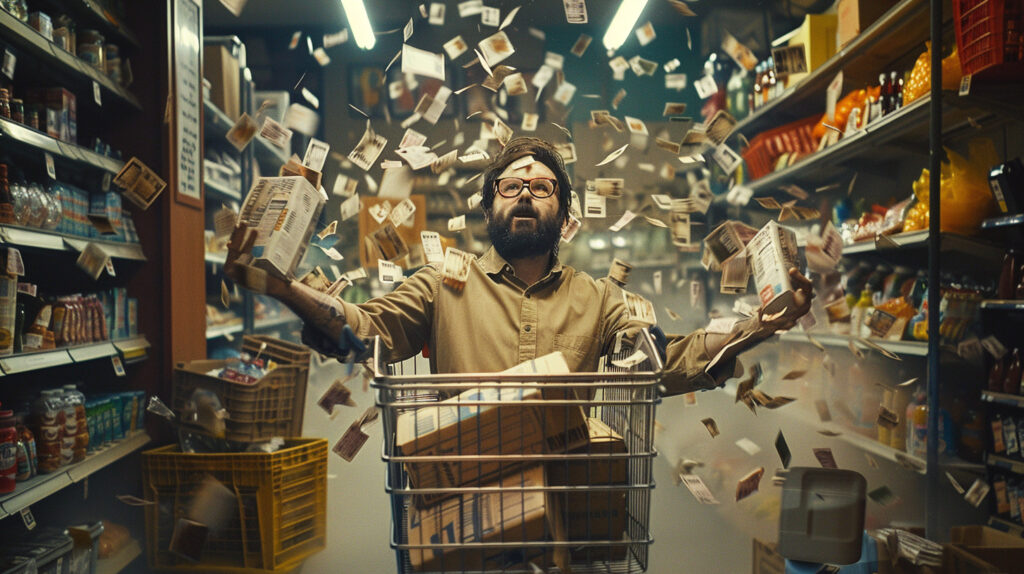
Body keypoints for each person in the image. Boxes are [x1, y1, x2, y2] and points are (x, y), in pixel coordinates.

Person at [225, 137, 812, 395]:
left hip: (570, 513)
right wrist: (283, 290)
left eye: (542, 186)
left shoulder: (602, 299)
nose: (526, 193)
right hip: (462, 505)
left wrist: (763, 323)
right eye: (510, 185)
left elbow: (666, 360)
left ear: (564, 210)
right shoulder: (441, 284)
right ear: (488, 207)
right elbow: (366, 327)